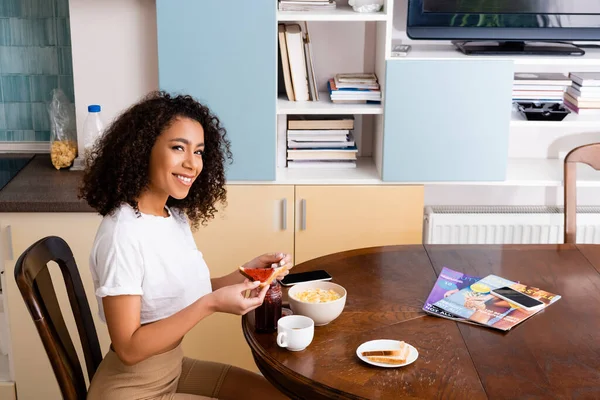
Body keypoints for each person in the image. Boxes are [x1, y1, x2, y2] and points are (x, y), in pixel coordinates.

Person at [79, 91, 291, 400]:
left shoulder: (171, 215)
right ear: (142, 150)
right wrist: (212, 305)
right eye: (178, 148)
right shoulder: (121, 234)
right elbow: (127, 348)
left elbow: (188, 290)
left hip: (172, 369)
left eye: (199, 152)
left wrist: (250, 273)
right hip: (132, 389)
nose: (192, 164)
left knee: (279, 396)